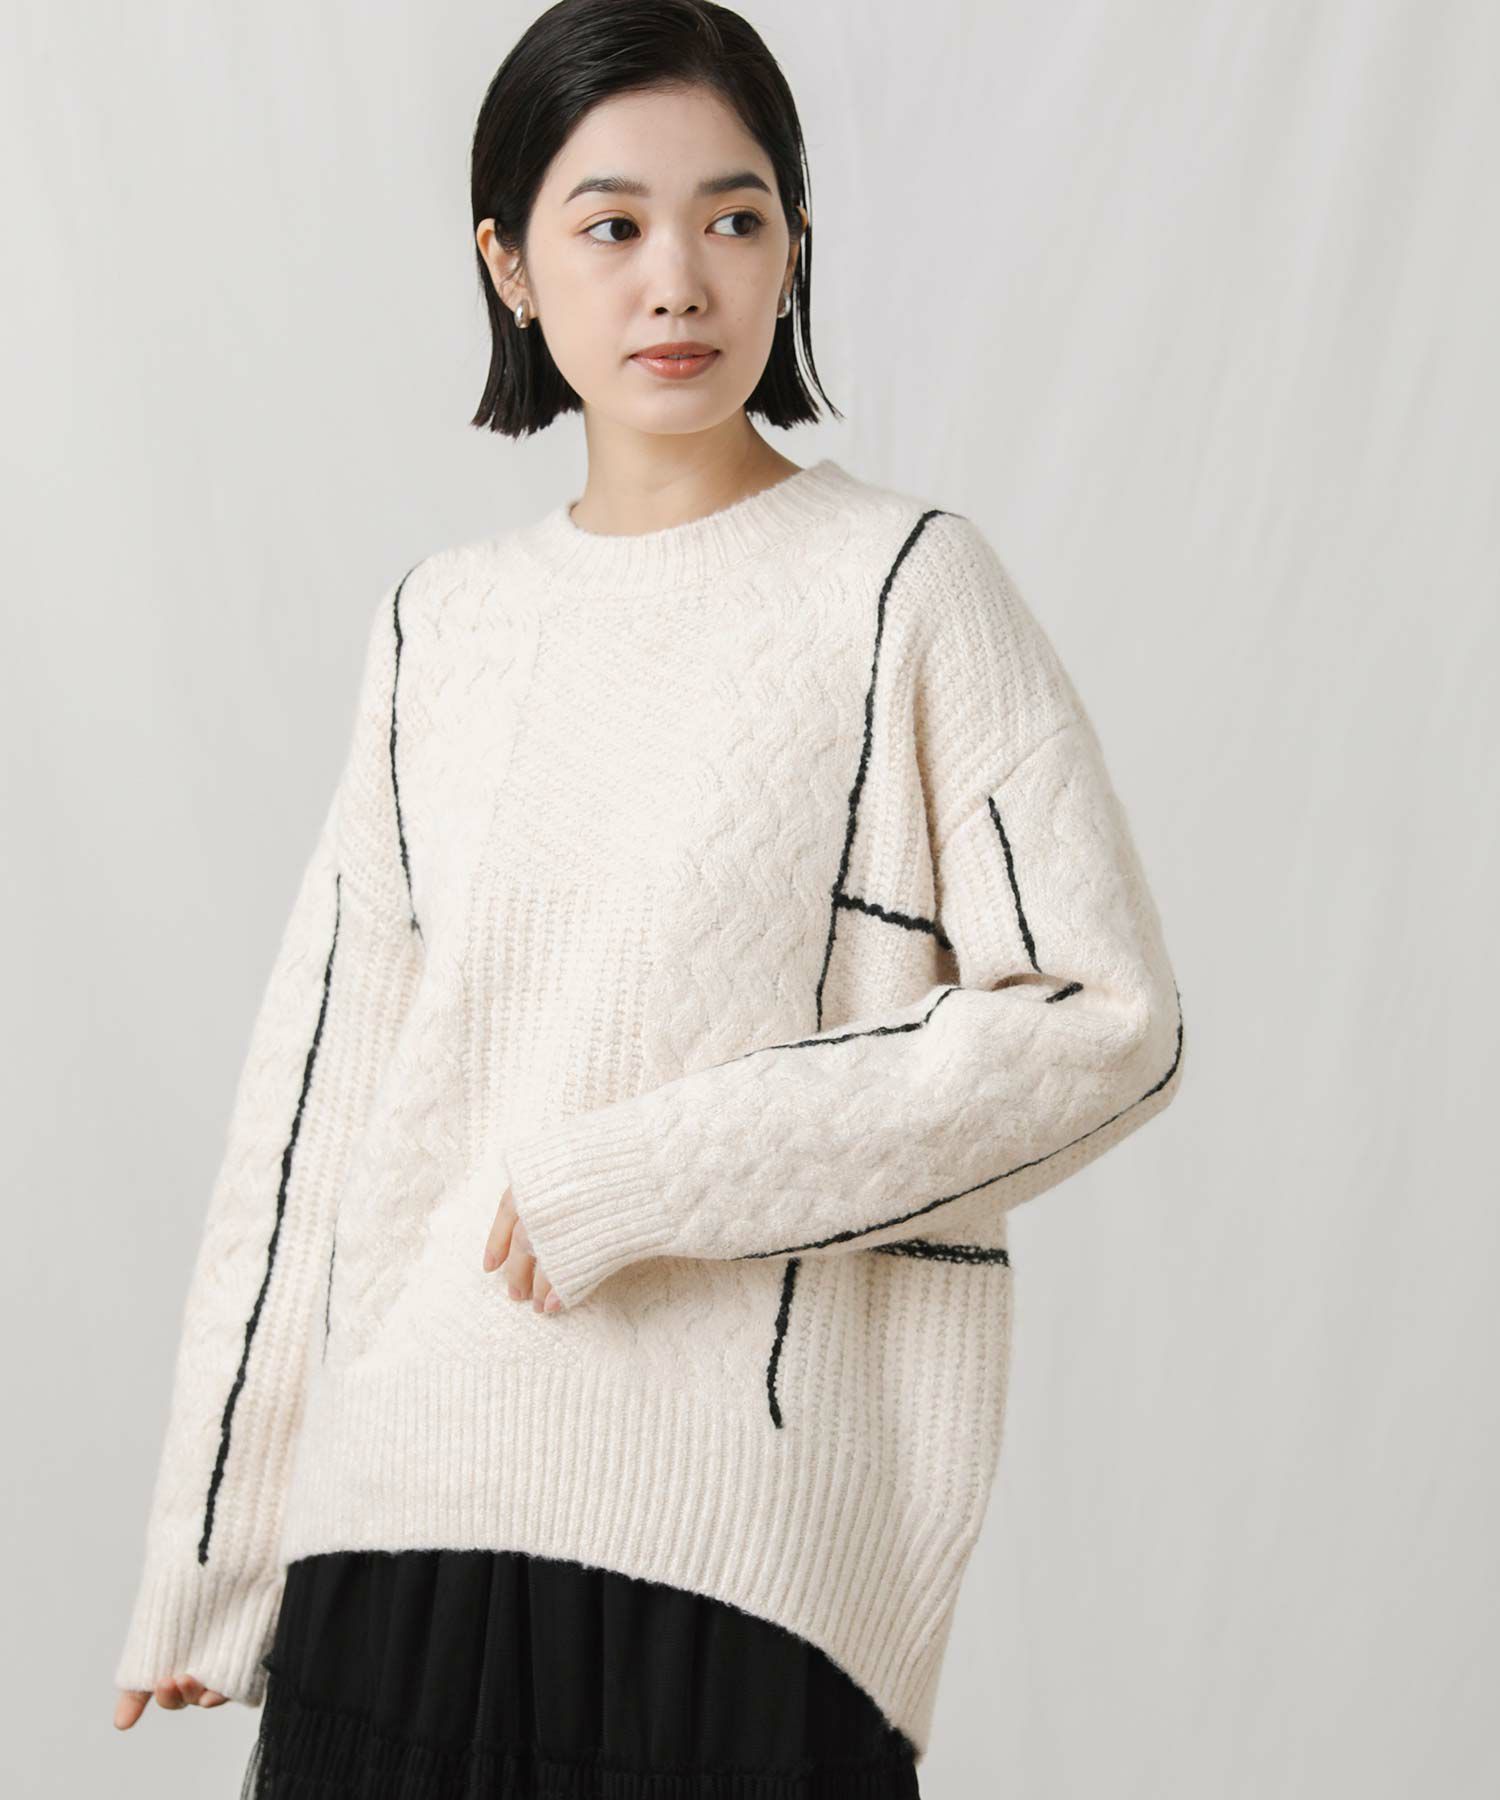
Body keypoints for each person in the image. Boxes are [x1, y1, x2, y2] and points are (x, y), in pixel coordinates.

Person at [112, 1, 1188, 1793]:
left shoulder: (905, 589)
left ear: (794, 247)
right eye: (610, 224)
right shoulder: (440, 626)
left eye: (732, 217)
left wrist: (650, 1173)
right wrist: (213, 1557)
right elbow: (316, 1106)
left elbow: (1106, 1024)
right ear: (509, 266)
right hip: (402, 1527)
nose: (676, 279)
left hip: (731, 1568)